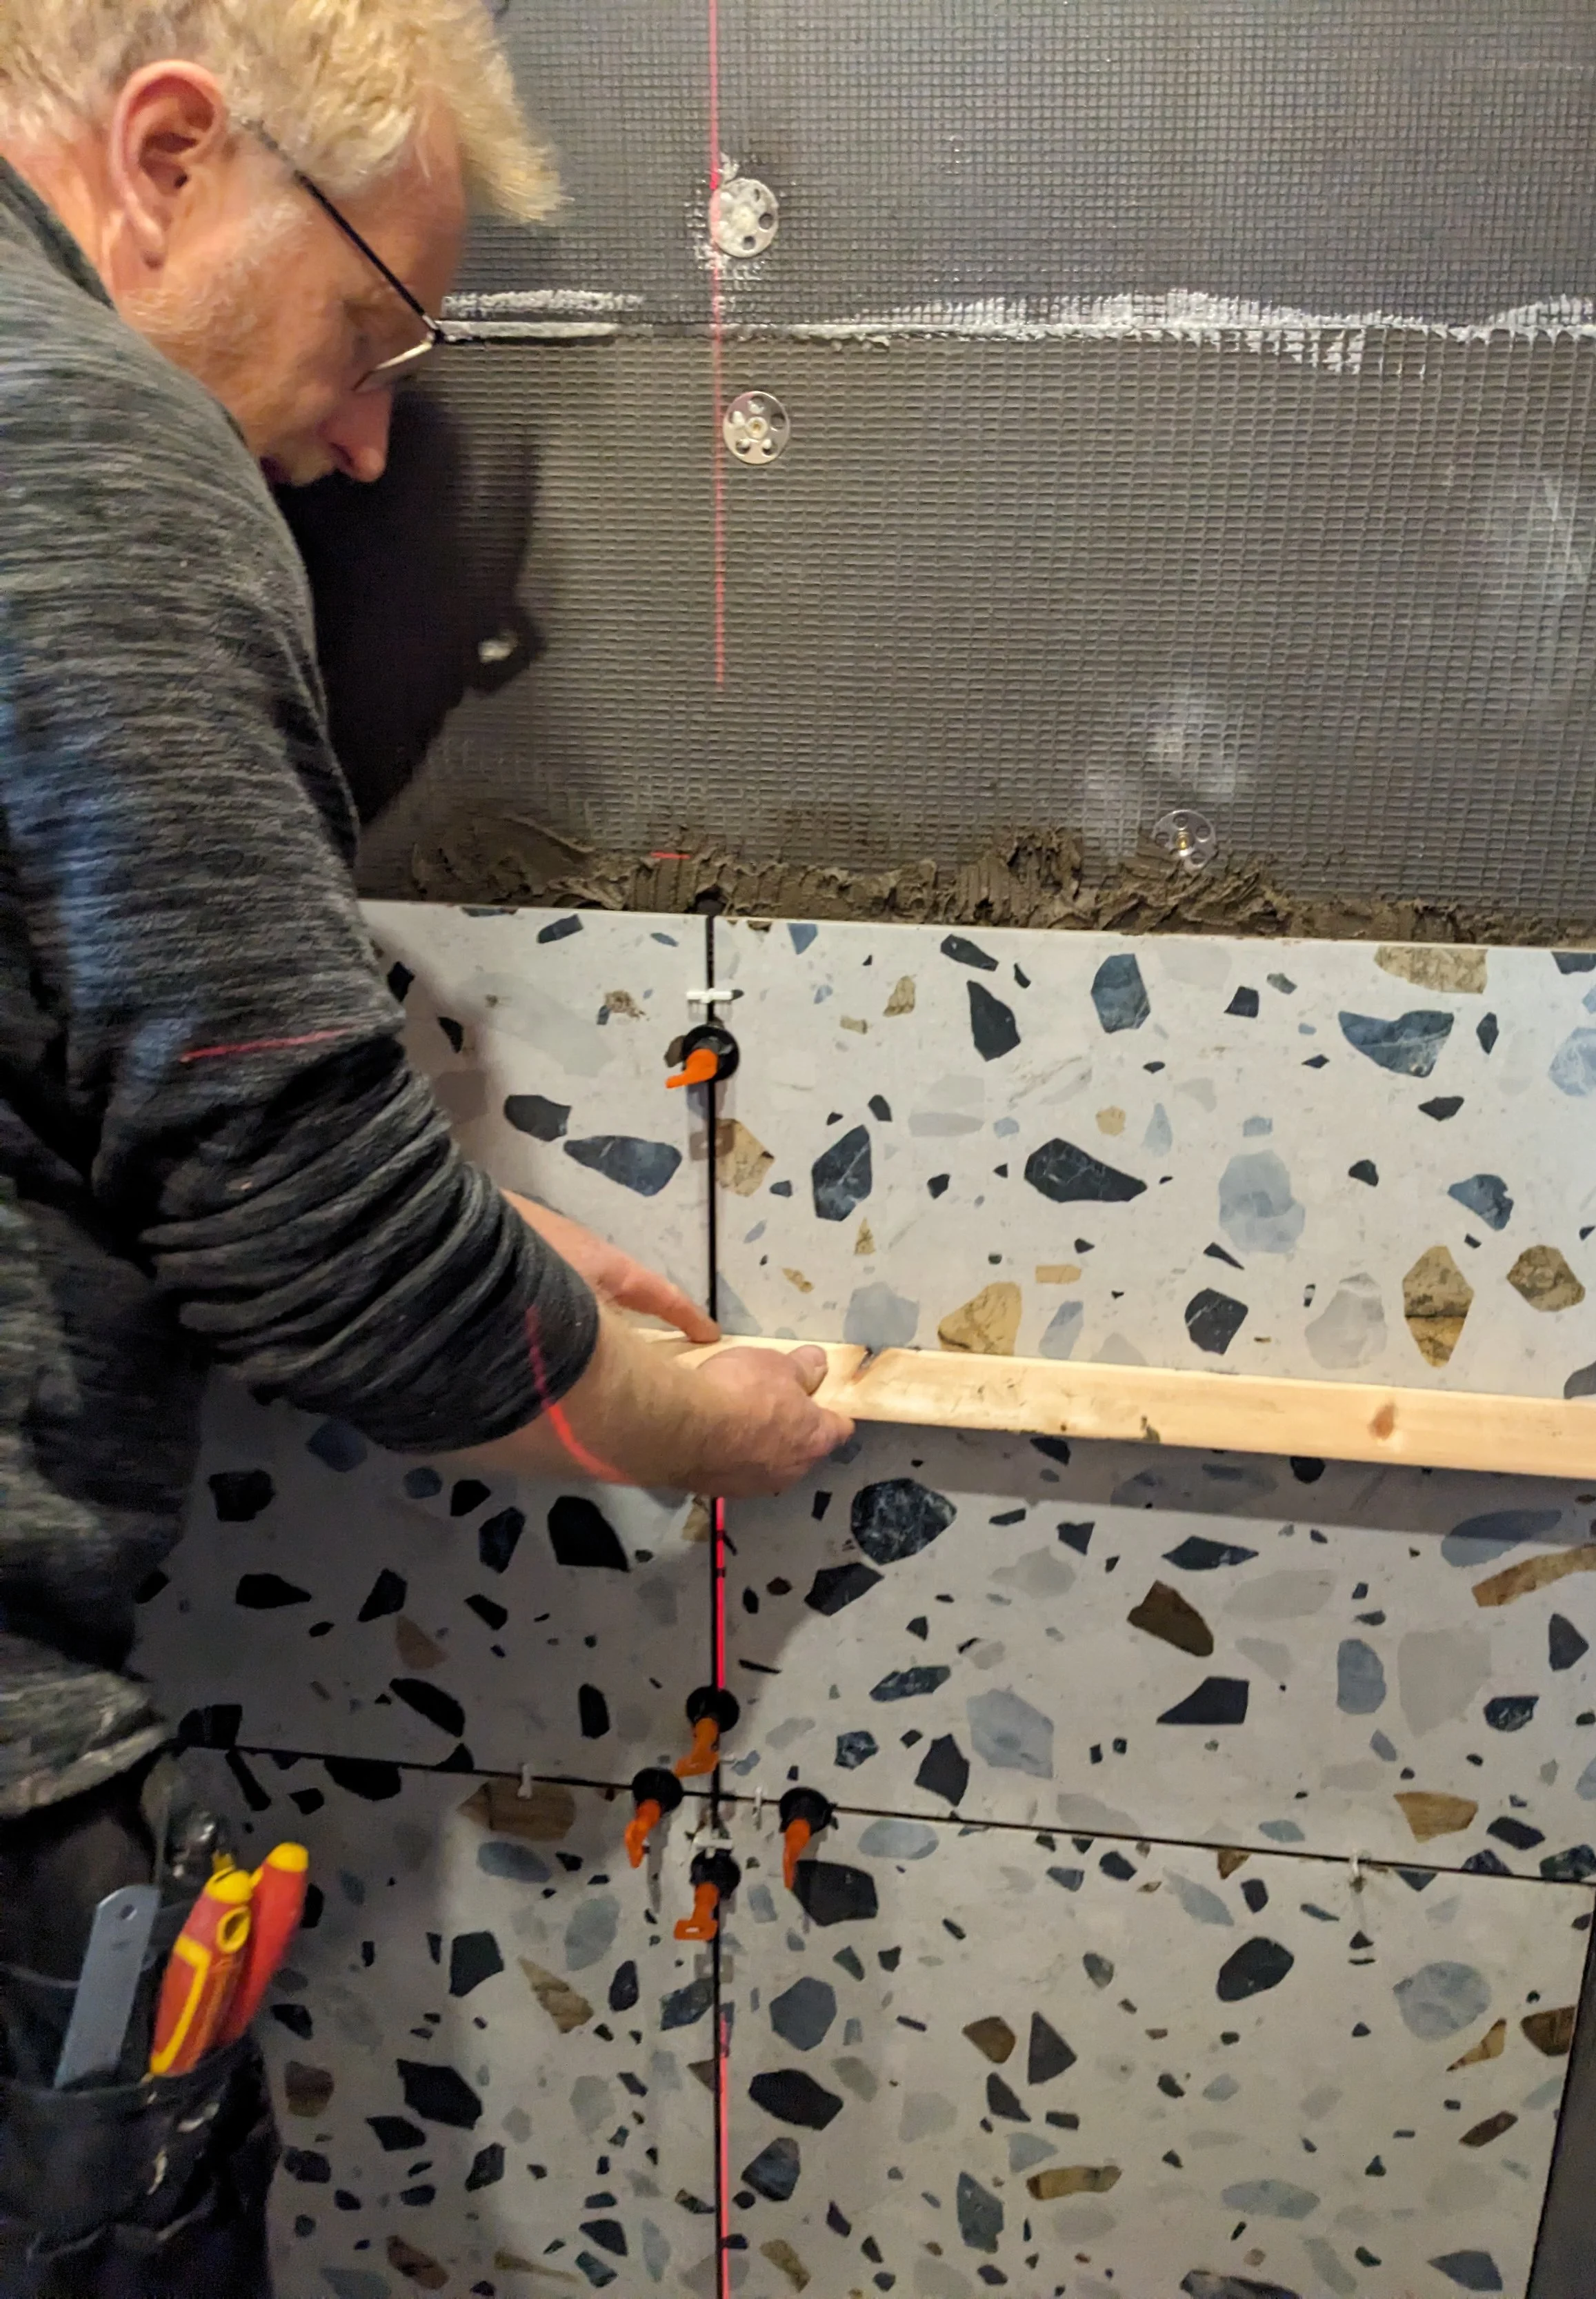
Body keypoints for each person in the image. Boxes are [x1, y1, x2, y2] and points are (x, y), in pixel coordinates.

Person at [0, 4, 849, 2287]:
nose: (372, 440)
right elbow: (318, 1245)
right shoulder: (81, 444)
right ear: (170, 154)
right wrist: (684, 1413)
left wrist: (492, 1248)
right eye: (373, 326)